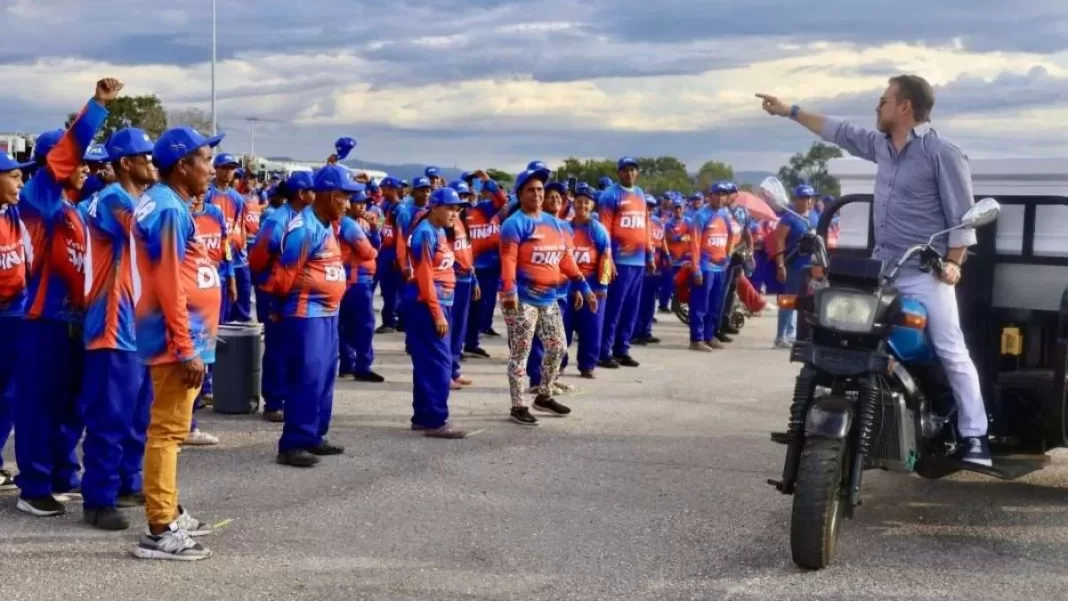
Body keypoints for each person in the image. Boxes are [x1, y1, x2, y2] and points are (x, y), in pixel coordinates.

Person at [757, 74, 991, 466]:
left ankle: (975, 437)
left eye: (883, 101)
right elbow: (838, 131)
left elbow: (962, 221)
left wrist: (952, 264)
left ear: (904, 107)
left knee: (951, 349)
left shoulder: (942, 153)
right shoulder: (882, 146)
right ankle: (826, 421)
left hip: (923, 272)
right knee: (840, 335)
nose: (877, 107)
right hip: (883, 269)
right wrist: (790, 111)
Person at [15, 78, 121, 518]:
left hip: (77, 322)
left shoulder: (73, 209)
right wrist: (96, 107)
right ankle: (34, 485)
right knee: (40, 404)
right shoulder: (39, 199)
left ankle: (62, 473)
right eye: (79, 161)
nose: (86, 167)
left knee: (73, 403)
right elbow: (63, 159)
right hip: (44, 320)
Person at [133, 125, 221, 560]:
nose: (212, 167)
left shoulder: (169, 203)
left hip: (179, 333)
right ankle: (160, 528)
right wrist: (187, 346)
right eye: (205, 159)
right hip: (175, 337)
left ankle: (168, 509)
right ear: (183, 165)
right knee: (167, 432)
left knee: (170, 430)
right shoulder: (168, 209)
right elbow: (168, 283)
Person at [79, 127, 157, 530]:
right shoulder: (111, 200)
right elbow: (147, 234)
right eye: (145, 156)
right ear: (126, 163)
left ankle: (128, 481)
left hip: (140, 327)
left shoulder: (141, 200)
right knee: (110, 417)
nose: (152, 163)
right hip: (113, 324)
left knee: (137, 414)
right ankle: (98, 498)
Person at [265, 165, 353, 467]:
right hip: (306, 315)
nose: (348, 204)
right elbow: (283, 276)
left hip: (328, 313)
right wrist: (277, 310)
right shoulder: (304, 229)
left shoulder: (328, 224)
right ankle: (293, 443)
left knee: (325, 376)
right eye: (343, 197)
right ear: (327, 195)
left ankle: (315, 434)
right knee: (306, 377)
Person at [499, 168, 596, 426]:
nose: (537, 194)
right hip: (521, 299)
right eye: (531, 189)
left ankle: (544, 394)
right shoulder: (515, 223)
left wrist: (583, 286)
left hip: (549, 298)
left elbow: (565, 258)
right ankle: (518, 405)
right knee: (521, 353)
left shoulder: (555, 223)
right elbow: (508, 259)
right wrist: (509, 290)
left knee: (558, 347)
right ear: (520, 194)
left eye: (541, 189)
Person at [247, 171, 315, 423]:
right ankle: (274, 401)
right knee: (277, 346)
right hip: (275, 291)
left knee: (295, 347)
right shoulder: (278, 220)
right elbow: (258, 258)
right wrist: (271, 287)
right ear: (301, 194)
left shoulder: (307, 218)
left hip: (297, 292)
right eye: (312, 190)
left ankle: (288, 397)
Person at [406, 187, 472, 438]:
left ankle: (423, 415)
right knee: (439, 364)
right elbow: (424, 277)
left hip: (442, 301)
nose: (455, 213)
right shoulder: (425, 233)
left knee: (429, 362)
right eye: (450, 208)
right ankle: (435, 419)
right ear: (434, 207)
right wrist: (436, 313)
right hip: (427, 304)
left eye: (458, 209)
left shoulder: (439, 232)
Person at [598, 157, 654, 368]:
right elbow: (604, 231)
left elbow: (646, 226)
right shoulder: (610, 196)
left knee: (632, 308)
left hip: (638, 261)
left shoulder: (640, 194)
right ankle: (604, 351)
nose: (629, 174)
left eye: (633, 170)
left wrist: (649, 255)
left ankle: (622, 348)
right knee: (614, 308)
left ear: (637, 173)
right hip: (619, 261)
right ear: (618, 172)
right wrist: (608, 258)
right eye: (625, 170)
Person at [0, 151, 32, 491]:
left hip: (14, 312)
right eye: (13, 175)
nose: (20, 181)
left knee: (9, 394)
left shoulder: (15, 213)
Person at [564, 185, 612, 378]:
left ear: (592, 205)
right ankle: (557, 364)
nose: (582, 205)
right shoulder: (565, 227)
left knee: (592, 327)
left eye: (586, 202)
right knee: (563, 327)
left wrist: (603, 286)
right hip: (567, 285)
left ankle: (587, 365)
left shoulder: (598, 230)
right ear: (573, 203)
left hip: (592, 286)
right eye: (579, 201)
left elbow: (606, 259)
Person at [337, 190, 384, 383]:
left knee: (347, 325)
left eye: (364, 203)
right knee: (364, 325)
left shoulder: (357, 223)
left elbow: (375, 245)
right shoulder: (349, 225)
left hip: (353, 280)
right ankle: (362, 366)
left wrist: (374, 229)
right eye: (357, 203)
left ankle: (348, 365)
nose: (362, 207)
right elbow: (369, 252)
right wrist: (373, 246)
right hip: (356, 281)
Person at [688, 184, 734, 352]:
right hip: (705, 267)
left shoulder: (724, 215)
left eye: (724, 195)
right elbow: (694, 244)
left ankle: (709, 335)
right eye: (718, 194)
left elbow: (731, 236)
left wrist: (727, 256)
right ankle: (696, 339)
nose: (721, 198)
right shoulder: (701, 216)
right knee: (700, 304)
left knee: (715, 305)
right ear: (710, 195)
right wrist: (697, 269)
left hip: (720, 268)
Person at [770, 185, 815, 348]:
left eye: (809, 198)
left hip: (811, 266)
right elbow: (779, 241)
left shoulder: (814, 216)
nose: (807, 201)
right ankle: (780, 336)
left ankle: (793, 333)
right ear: (796, 199)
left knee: (806, 301)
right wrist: (780, 264)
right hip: (794, 265)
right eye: (803, 198)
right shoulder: (789, 218)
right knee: (789, 300)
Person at [446, 180, 479, 389]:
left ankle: (455, 370)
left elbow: (467, 253)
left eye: (465, 198)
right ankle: (445, 372)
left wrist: (474, 279)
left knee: (460, 329)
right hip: (453, 281)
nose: (461, 204)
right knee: (449, 328)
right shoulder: (446, 226)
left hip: (466, 280)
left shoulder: (463, 222)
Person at [633, 193, 667, 345]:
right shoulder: (636, 223)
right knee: (638, 301)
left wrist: (666, 255)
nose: (649, 209)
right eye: (647, 206)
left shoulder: (658, 222)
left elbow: (662, 240)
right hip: (640, 266)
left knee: (650, 301)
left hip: (656, 267)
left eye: (652, 206)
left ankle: (646, 331)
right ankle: (635, 332)